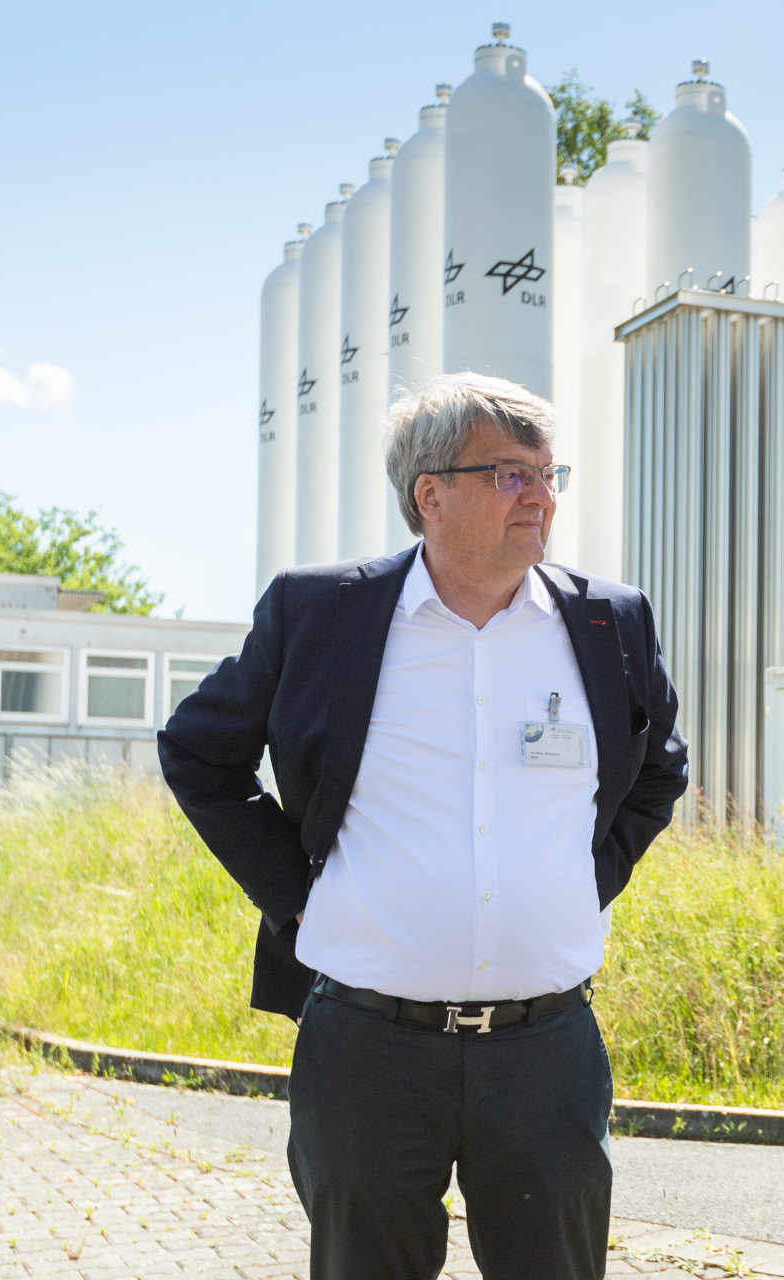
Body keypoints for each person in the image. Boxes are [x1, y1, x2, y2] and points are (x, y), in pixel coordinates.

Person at [160, 372, 687, 1280]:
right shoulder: (321, 614)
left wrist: (585, 879)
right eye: (510, 474)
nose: (541, 495)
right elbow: (198, 753)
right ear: (428, 495)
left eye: (550, 473)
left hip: (547, 1052)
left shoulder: (609, 621)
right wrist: (303, 898)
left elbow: (659, 772)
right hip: (369, 1051)